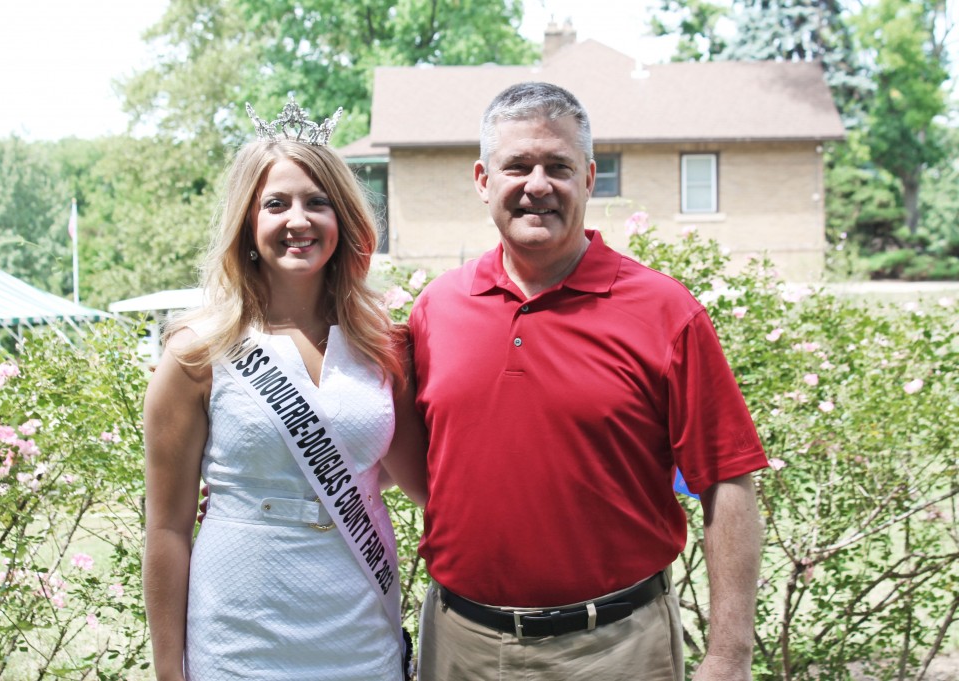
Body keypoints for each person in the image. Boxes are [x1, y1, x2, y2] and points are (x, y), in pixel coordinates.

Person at [409, 82, 768, 680]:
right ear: (482, 180)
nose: (538, 185)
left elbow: (727, 480)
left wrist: (730, 656)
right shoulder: (436, 310)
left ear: (589, 178)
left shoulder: (664, 312)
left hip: (616, 650)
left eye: (559, 167)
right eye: (517, 166)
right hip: (459, 646)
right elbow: (428, 463)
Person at [142, 98, 427, 681]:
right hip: (240, 629)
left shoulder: (381, 345)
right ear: (248, 224)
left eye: (317, 202)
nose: (298, 220)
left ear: (343, 220)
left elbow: (404, 472)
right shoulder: (197, 351)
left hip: (358, 624)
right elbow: (167, 529)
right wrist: (169, 671)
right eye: (276, 204)